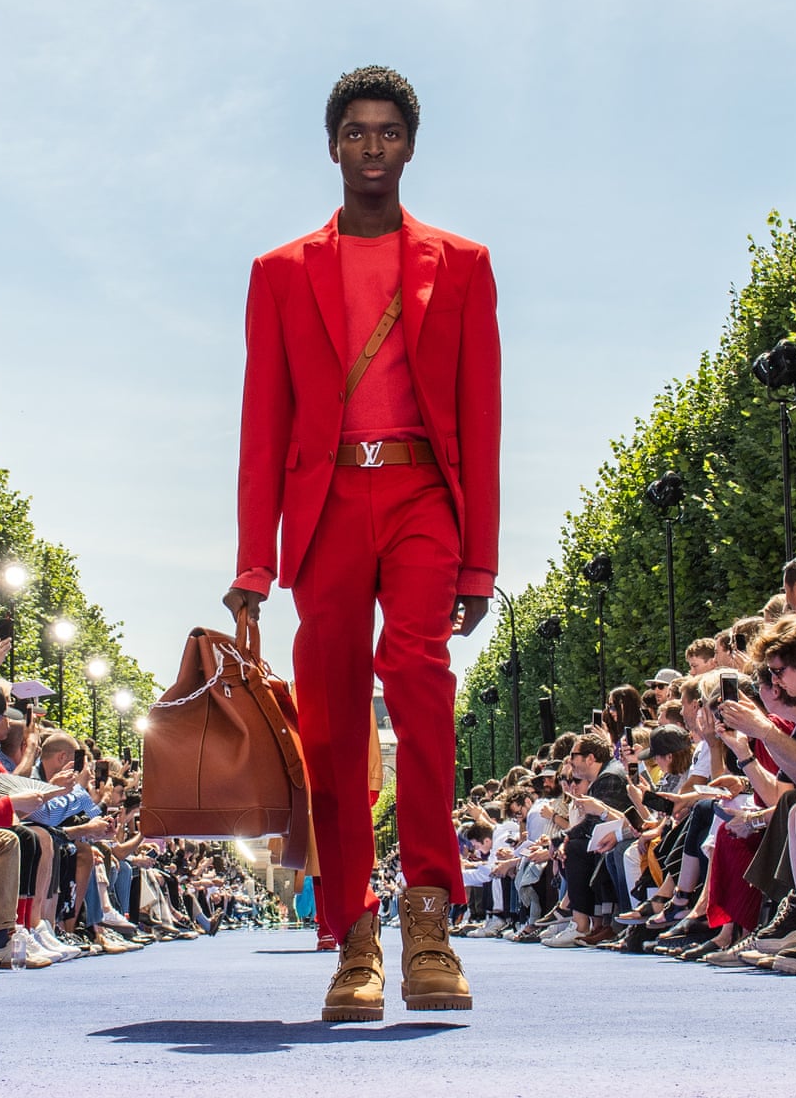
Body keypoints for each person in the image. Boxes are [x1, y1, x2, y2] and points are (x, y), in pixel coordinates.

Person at [223, 65, 500, 1021]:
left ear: (410, 147)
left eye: (388, 131)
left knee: (419, 681)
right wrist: (254, 557)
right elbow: (263, 421)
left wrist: (480, 558)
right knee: (333, 719)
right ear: (332, 146)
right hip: (329, 502)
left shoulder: (463, 263)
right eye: (356, 131)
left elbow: (481, 415)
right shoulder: (279, 271)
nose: (372, 145)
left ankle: (429, 918)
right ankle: (351, 932)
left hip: (424, 491)